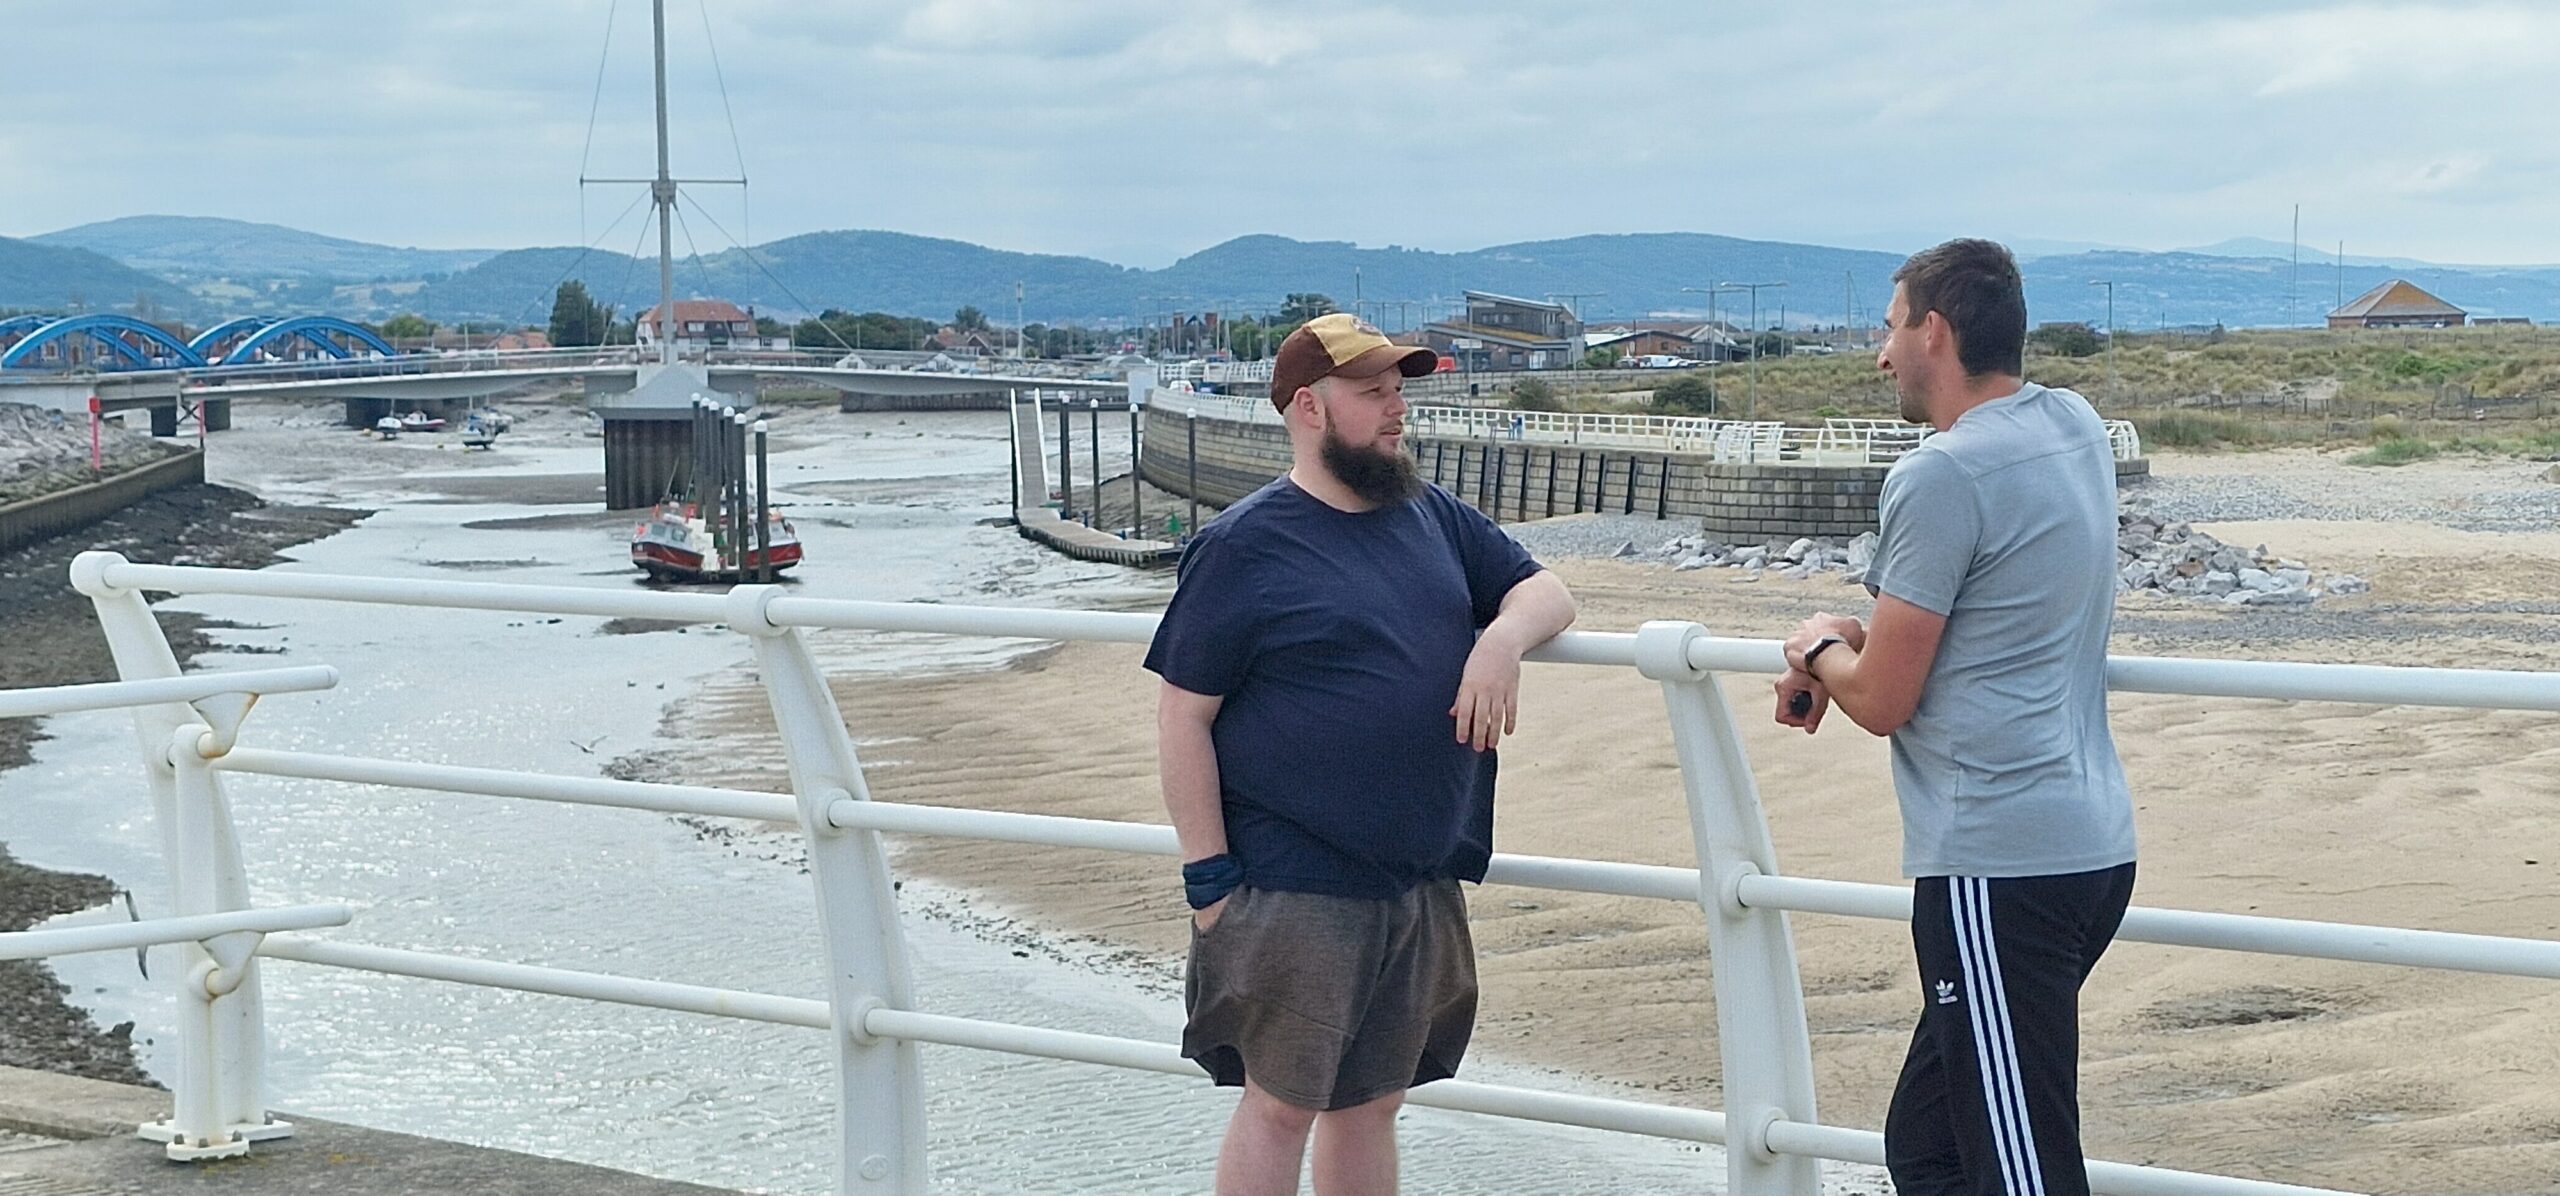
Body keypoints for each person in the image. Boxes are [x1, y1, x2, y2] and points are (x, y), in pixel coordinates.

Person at [1146, 313, 1577, 1195]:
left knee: (1374, 1103)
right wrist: (1209, 886)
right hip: (1291, 881)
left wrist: (1497, 644)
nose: (1397, 409)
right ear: (1309, 406)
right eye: (1373, 392)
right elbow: (1181, 717)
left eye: (1400, 390)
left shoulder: (1430, 515)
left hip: (1418, 875)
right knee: (1279, 1107)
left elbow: (1546, 590)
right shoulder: (1242, 546)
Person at [1773, 238, 2138, 1196]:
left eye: (1890, 327)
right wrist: (1865, 633)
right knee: (1932, 1147)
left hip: (1997, 864)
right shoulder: (2074, 424)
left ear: (1933, 331)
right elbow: (1973, 607)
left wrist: (1818, 649)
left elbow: (1885, 699)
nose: (1880, 352)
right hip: (2093, 844)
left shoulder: (1942, 473)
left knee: (2021, 1169)